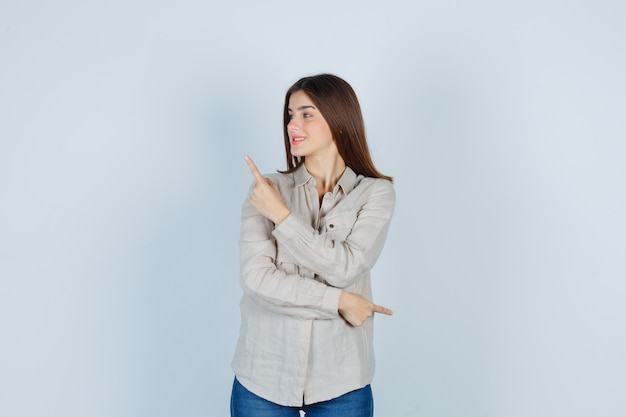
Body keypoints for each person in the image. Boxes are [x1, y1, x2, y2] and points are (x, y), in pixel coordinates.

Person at [231, 74, 395, 417]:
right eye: (290, 114)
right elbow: (257, 280)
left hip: (342, 379)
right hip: (263, 376)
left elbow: (347, 267)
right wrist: (340, 301)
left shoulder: (375, 193)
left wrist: (282, 217)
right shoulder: (266, 189)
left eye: (307, 114)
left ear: (338, 121)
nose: (293, 124)